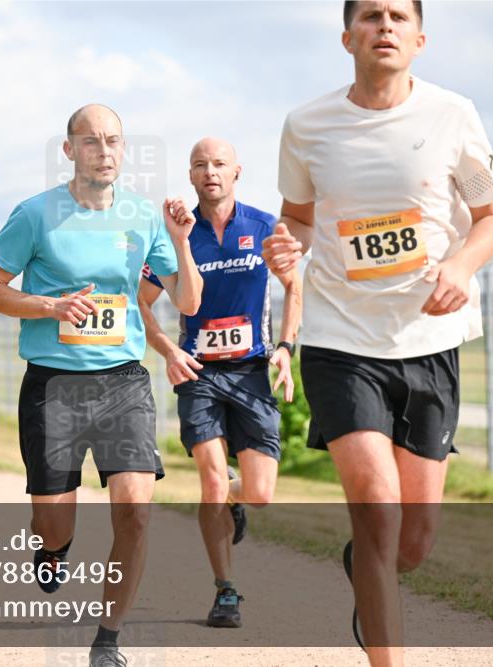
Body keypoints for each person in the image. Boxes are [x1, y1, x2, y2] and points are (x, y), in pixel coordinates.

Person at [264, 2, 493, 664]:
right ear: (348, 37)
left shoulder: (453, 115)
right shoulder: (307, 125)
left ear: (419, 39)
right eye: (371, 16)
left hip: (429, 341)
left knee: (413, 543)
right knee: (378, 510)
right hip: (340, 340)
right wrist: (287, 245)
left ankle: (367, 570)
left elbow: (492, 217)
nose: (385, 26)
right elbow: (298, 218)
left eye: (399, 16)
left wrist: (461, 264)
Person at [0, 104, 202, 667]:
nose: (104, 151)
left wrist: (181, 240)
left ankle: (108, 639)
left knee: (136, 511)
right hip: (54, 384)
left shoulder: (144, 215)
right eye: (92, 140)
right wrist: (50, 306)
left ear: (124, 148)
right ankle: (53, 548)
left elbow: (189, 301)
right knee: (54, 523)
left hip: (123, 382)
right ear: (69, 149)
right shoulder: (35, 214)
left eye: (113, 140)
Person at [138, 137, 301, 629]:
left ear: (236, 172)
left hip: (251, 372)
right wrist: (169, 351)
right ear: (190, 176)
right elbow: (141, 301)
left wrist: (286, 348)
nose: (210, 171)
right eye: (200, 165)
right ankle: (225, 590)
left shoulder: (264, 227)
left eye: (219, 164)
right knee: (210, 481)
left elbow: (294, 286)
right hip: (200, 374)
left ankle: (235, 498)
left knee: (259, 492)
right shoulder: (176, 235)